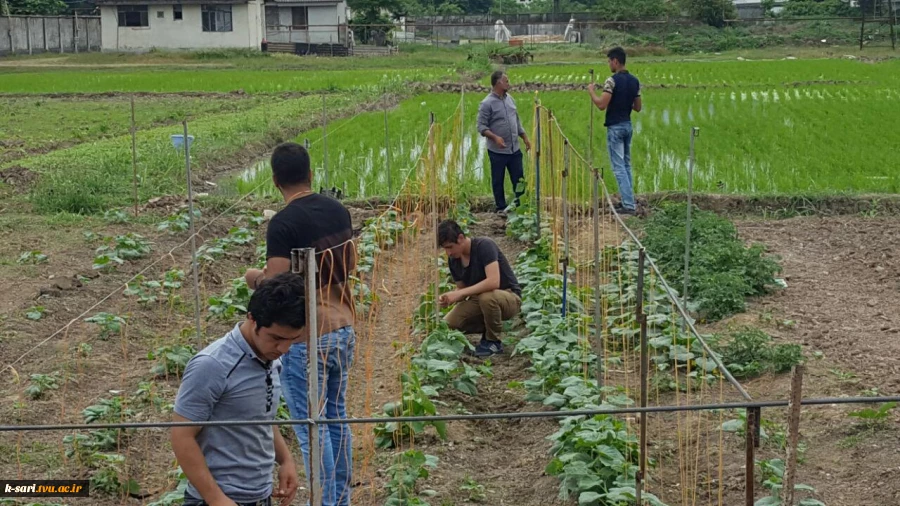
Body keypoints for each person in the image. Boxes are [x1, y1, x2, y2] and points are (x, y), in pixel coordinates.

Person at [243, 142, 357, 506]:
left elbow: (279, 290)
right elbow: (349, 263)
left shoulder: (283, 223)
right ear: (310, 174)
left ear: (275, 181)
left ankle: (324, 501)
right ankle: (339, 500)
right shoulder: (337, 210)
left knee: (311, 427)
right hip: (344, 326)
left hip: (308, 337)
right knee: (336, 415)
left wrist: (256, 278)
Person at [171, 272, 304, 506]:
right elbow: (181, 436)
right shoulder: (213, 365)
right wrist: (216, 499)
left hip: (260, 495)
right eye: (276, 338)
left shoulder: (271, 358)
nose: (283, 348)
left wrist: (286, 461)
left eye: (292, 340)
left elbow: (261, 418)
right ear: (252, 319)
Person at [437, 220, 522, 358]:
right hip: (482, 300)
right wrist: (451, 297)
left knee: (486, 297)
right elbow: (463, 290)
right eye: (445, 248)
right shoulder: (454, 260)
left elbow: (493, 282)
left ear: (461, 238)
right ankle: (491, 325)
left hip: (509, 297)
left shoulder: (484, 245)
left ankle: (493, 341)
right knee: (448, 324)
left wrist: (460, 293)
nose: (448, 253)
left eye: (450, 247)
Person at [588, 46, 642, 216]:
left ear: (616, 61)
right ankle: (629, 200)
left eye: (609, 61)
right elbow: (638, 107)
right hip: (627, 125)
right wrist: (625, 101)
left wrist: (591, 92)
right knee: (626, 165)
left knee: (618, 167)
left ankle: (628, 204)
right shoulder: (635, 81)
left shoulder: (612, 81)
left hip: (616, 127)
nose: (609, 64)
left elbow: (601, 105)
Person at [477, 70, 532, 217]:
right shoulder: (487, 103)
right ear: (499, 83)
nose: (509, 83)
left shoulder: (510, 99)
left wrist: (524, 137)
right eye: (506, 81)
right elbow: (481, 127)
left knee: (519, 178)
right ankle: (500, 207)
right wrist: (495, 137)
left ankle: (521, 206)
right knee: (498, 179)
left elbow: (516, 121)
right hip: (497, 151)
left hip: (514, 149)